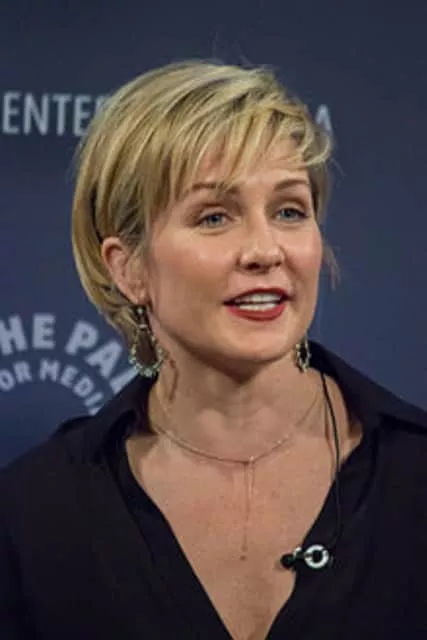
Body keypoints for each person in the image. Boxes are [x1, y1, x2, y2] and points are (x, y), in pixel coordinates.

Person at [1, 60, 427, 640]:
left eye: (288, 211)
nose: (265, 250)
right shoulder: (36, 514)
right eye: (214, 217)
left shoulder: (413, 473)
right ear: (129, 269)